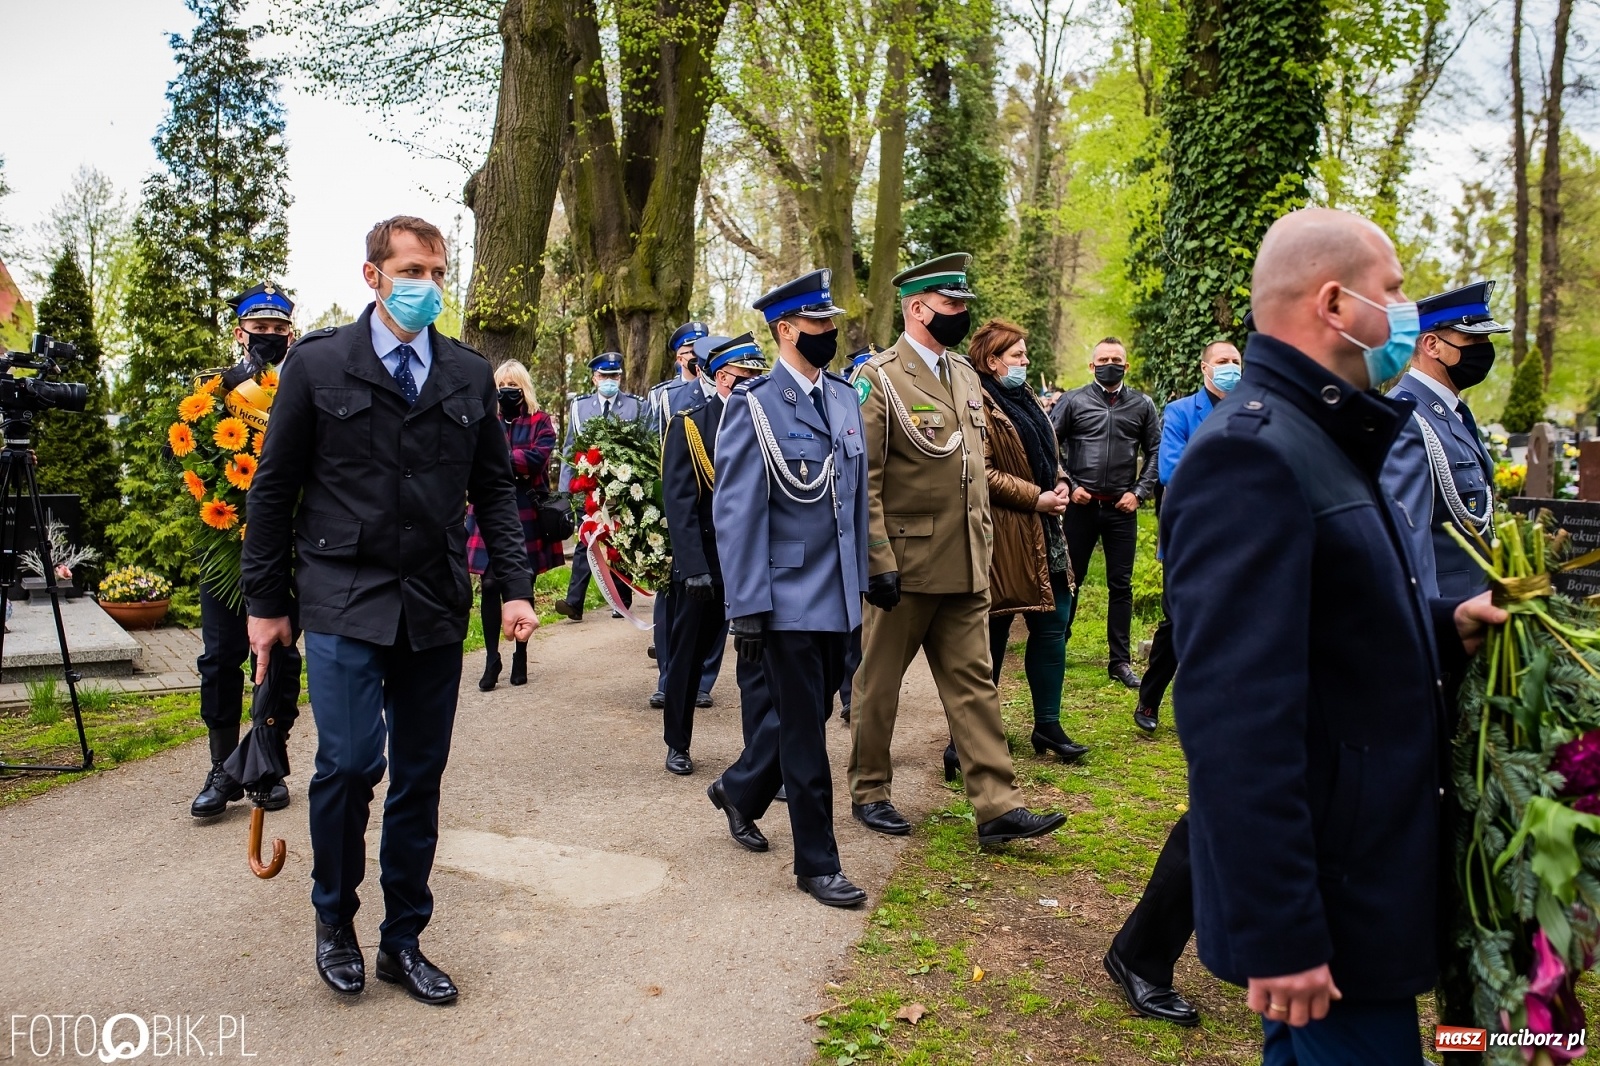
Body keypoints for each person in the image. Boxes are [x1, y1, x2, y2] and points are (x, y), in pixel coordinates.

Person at [1163, 207, 1503, 1061]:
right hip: (1330, 894)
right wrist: (1281, 930)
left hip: (1366, 870)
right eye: (1391, 291)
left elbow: (1334, 626)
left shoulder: (1330, 434)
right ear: (1334, 303)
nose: (1405, 312)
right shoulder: (1252, 453)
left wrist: (1442, 625)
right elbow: (1236, 719)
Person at [242, 215, 538, 1005]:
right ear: (373, 276)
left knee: (418, 775)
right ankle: (333, 919)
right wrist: (266, 604)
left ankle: (402, 938)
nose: (427, 287)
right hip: (342, 595)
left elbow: (494, 492)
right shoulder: (318, 364)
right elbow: (273, 490)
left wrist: (516, 586)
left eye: (437, 271)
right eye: (411, 271)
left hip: (434, 602)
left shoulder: (467, 373)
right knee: (348, 765)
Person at [847, 253, 1065, 848]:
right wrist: (877, 559)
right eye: (951, 306)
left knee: (975, 685)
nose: (961, 315)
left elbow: (974, 471)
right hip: (907, 564)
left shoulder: (966, 377)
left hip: (968, 561)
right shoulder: (880, 377)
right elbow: (862, 478)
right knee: (880, 684)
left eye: (964, 305)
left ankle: (996, 807)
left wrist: (987, 548)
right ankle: (869, 789)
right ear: (918, 309)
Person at [706, 269, 869, 908]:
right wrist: (745, 606)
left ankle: (739, 789)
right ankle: (817, 862)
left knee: (816, 710)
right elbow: (736, 512)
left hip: (837, 595)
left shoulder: (842, 398)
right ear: (786, 330)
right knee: (806, 732)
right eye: (819, 324)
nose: (830, 333)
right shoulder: (754, 405)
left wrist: (869, 574)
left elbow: (853, 501)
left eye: (832, 323)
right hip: (786, 596)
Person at [1101, 337, 1241, 1028]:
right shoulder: (1199, 413)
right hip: (1215, 583)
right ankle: (1143, 951)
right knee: (1231, 804)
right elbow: (1184, 479)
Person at [190, 282, 297, 819]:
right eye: (260, 330)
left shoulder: (298, 386)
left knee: (277, 656)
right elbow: (187, 454)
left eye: (279, 330)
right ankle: (220, 766)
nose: (269, 338)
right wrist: (227, 389)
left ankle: (266, 765)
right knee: (219, 657)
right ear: (240, 332)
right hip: (226, 544)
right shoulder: (211, 393)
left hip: (285, 548)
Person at [968, 319, 1087, 770]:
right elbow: (983, 470)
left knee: (1054, 623)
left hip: (1045, 531)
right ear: (992, 360)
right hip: (1005, 532)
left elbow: (1047, 454)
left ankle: (1048, 725)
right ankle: (972, 739)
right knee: (993, 632)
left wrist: (1058, 482)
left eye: (1024, 355)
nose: (1024, 362)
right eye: (1017, 356)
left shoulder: (1028, 398)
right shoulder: (977, 401)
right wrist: (1035, 497)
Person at [657, 334, 767, 775]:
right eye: (746, 378)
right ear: (723, 378)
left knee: (759, 665)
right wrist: (693, 568)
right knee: (687, 656)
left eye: (758, 377)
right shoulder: (691, 424)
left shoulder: (768, 422)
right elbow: (679, 503)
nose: (754, 385)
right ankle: (677, 742)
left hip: (755, 562)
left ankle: (760, 758)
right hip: (707, 560)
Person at [1132, 339, 1241, 734]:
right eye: (1222, 361)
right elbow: (1172, 471)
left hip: (1240, 538)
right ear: (1205, 368)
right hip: (1188, 538)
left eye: (1235, 361)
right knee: (1179, 621)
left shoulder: (1255, 408)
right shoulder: (1180, 412)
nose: (1230, 367)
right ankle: (1150, 696)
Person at [1380, 281, 1505, 599]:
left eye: (1486, 339)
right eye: (1472, 339)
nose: (1483, 349)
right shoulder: (1406, 418)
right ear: (1431, 345)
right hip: (1447, 616)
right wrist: (1432, 632)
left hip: (1475, 605)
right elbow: (1410, 541)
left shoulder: (1455, 411)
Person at [1050, 337, 1160, 690]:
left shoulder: (1142, 404)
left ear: (1126, 366)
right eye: (1103, 358)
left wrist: (1139, 493)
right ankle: (1056, 649)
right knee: (1070, 580)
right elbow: (1049, 445)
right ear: (1091, 365)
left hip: (1120, 509)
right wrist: (1067, 481)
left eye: (1116, 359)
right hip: (1081, 507)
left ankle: (1120, 662)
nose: (1109, 363)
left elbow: (1157, 451)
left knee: (1120, 586)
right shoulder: (1072, 401)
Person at [466, 359, 561, 691]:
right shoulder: (486, 419)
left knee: (523, 583)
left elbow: (538, 458)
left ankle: (521, 652)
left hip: (526, 510)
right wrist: (510, 462)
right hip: (488, 510)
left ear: (523, 387)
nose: (506, 391)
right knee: (490, 585)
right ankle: (492, 657)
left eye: (513, 385)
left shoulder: (540, 421)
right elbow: (478, 458)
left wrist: (499, 460)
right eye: (501, 385)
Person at [646, 326, 728, 712]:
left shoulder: (743, 404)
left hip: (722, 531)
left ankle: (704, 682)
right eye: (687, 350)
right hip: (677, 515)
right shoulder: (668, 398)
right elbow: (652, 453)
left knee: (716, 619)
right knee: (675, 610)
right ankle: (670, 679)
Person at [554, 353, 643, 621]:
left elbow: (642, 444)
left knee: (620, 541)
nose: (609, 381)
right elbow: (570, 447)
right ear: (594, 378)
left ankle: (621, 600)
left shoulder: (635, 406)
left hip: (623, 486)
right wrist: (564, 489)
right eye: (604, 376)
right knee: (586, 541)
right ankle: (574, 603)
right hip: (589, 487)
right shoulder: (580, 407)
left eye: (614, 376)